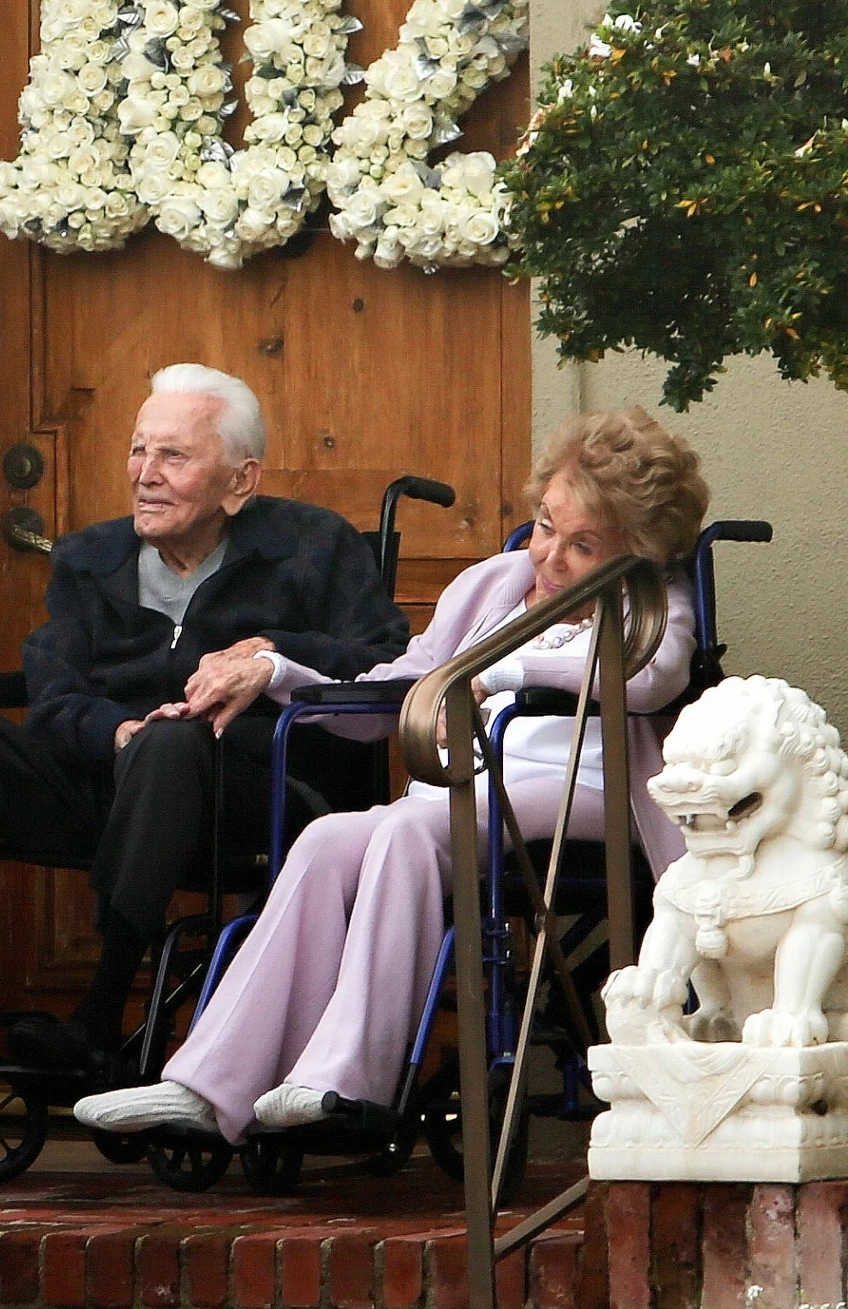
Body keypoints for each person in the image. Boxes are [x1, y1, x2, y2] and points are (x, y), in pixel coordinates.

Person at [73, 407, 709, 1146]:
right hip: (466, 790)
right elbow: (399, 685)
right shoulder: (494, 583)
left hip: (586, 792)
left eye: (582, 545)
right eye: (544, 525)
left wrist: (495, 669)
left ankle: (351, 1079)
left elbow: (654, 678)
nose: (549, 556)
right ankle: (210, 1086)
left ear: (638, 549)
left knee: (412, 827)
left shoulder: (653, 602)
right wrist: (279, 672)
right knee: (328, 839)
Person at [0, 363, 410, 1074]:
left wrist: (276, 650)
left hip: (248, 798)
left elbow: (388, 662)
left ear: (241, 481)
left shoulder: (313, 547)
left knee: (172, 746)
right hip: (108, 779)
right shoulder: (92, 557)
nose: (145, 473)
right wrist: (115, 732)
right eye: (139, 450)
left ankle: (98, 1015)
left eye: (173, 456)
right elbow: (52, 694)